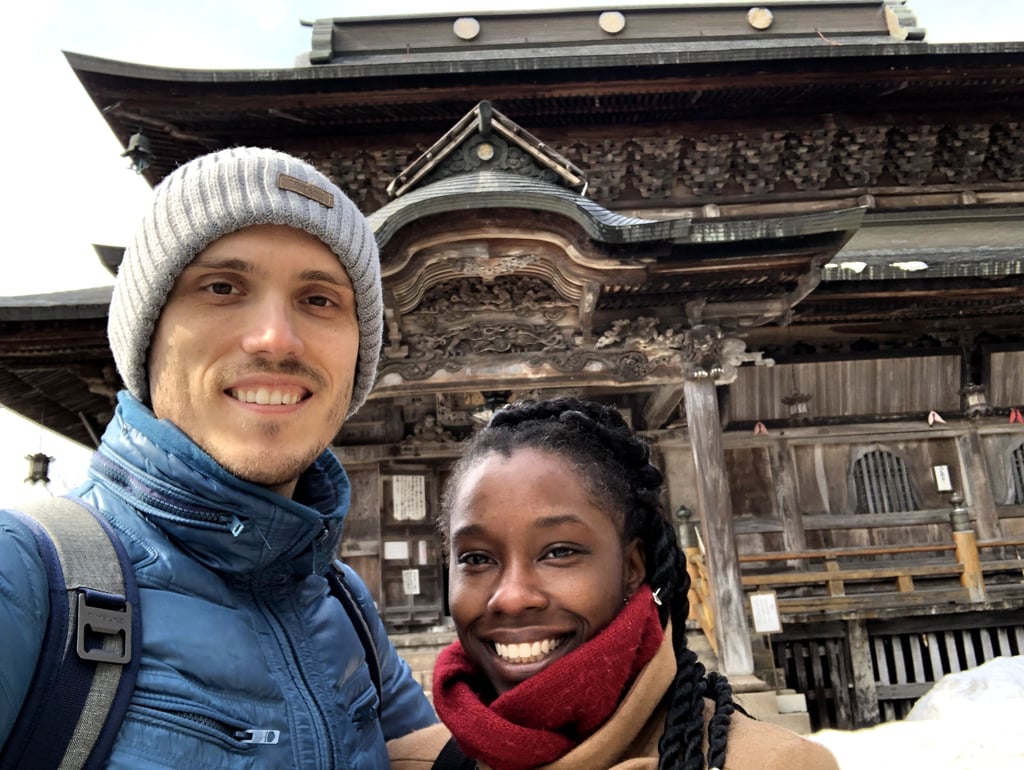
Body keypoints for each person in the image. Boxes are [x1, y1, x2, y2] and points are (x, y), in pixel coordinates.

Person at [0, 147, 437, 767]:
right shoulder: (23, 576)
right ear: (149, 334)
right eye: (222, 287)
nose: (276, 338)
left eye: (319, 299)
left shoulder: (340, 606)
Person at [388, 396, 839, 770]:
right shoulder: (408, 763)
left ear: (632, 565)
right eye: (476, 558)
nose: (511, 597)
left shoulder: (765, 762)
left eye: (559, 551)